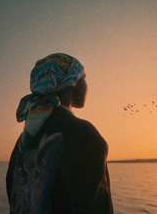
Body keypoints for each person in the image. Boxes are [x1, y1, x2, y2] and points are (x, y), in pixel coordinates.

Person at [6, 53, 113, 214]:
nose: (86, 85)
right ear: (71, 82)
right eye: (83, 77)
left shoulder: (23, 140)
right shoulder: (83, 134)